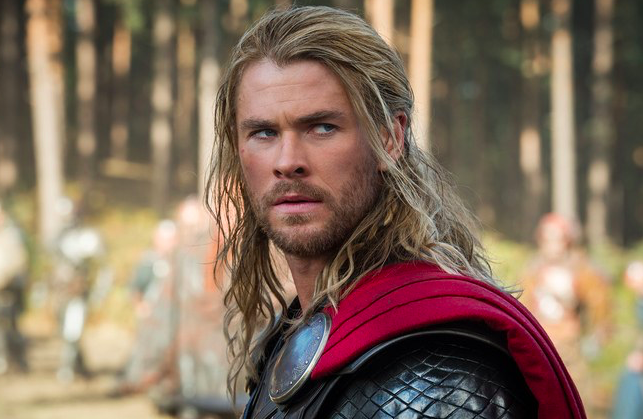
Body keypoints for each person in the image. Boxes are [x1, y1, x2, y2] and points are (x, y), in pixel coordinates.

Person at [206, 6, 585, 418]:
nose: (287, 161)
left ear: (389, 138)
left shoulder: (437, 373)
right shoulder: (293, 330)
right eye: (264, 132)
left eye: (322, 127)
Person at [521, 213, 611, 406]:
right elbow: (524, 304)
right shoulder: (533, 270)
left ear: (567, 241)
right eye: (547, 239)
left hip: (571, 346)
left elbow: (599, 303)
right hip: (541, 343)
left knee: (575, 399)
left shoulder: (581, 269)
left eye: (557, 239)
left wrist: (596, 335)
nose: (552, 245)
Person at [0, 201, 29, 373]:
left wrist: (4, 280)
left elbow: (17, 262)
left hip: (9, 289)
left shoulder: (11, 237)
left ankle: (18, 359)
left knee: (11, 326)